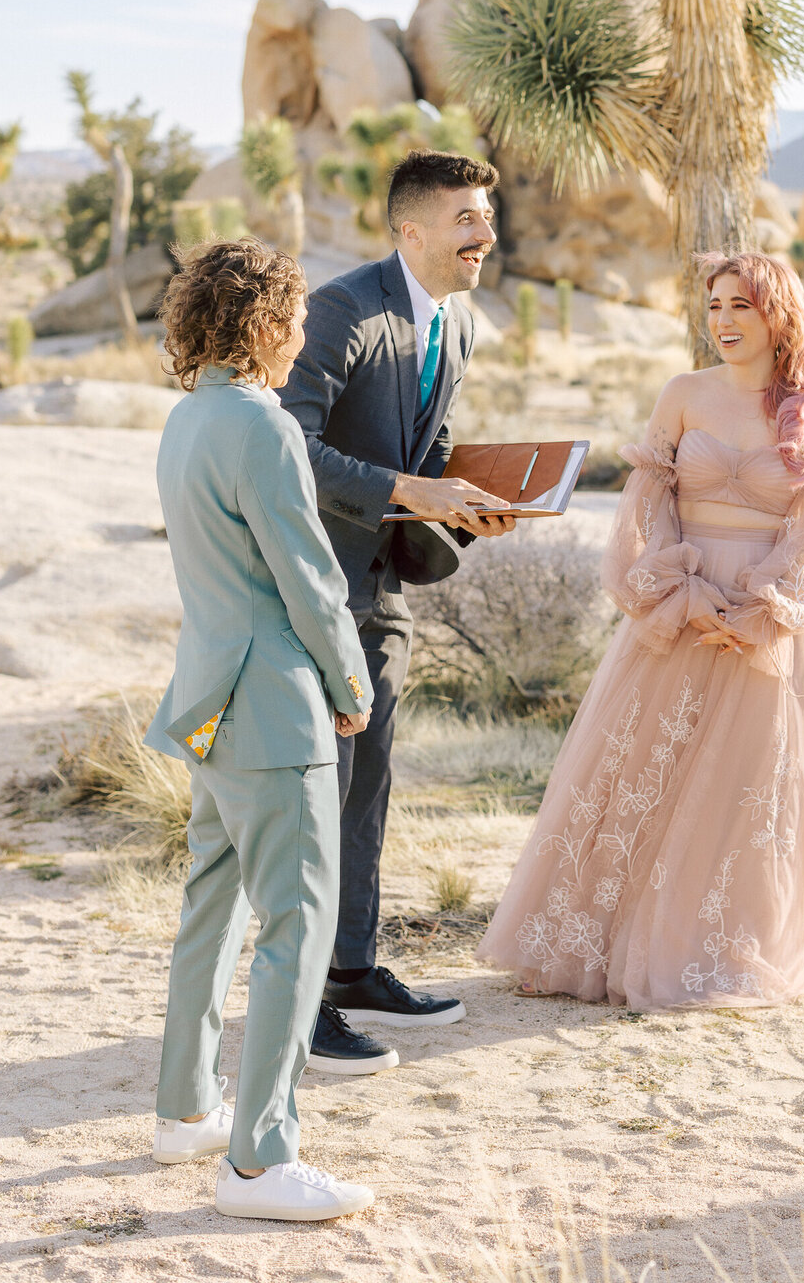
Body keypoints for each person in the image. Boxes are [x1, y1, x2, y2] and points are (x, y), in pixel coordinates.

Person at [477, 251, 804, 1008]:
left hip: (767, 624)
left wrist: (767, 613)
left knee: (745, 788)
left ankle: (724, 952)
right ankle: (597, 945)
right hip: (681, 608)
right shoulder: (683, 394)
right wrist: (681, 590)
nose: (724, 321)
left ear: (779, 314)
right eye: (716, 307)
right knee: (639, 775)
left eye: (742, 306)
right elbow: (647, 506)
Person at [146, 238, 389, 1223]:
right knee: (297, 924)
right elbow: (307, 574)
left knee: (213, 907)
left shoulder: (185, 418)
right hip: (276, 707)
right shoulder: (263, 426)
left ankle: (185, 1108)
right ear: (261, 323)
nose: (300, 338)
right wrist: (351, 678)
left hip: (208, 702)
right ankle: (258, 1162)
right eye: (291, 319)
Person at [279, 149, 516, 1068]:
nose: (485, 236)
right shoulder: (340, 311)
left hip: (384, 590)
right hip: (314, 588)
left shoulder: (459, 326)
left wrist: (475, 498)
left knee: (369, 783)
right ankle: (300, 1009)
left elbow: (435, 439)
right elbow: (287, 445)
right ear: (408, 229)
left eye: (487, 218)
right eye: (466, 219)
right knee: (319, 789)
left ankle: (350, 969)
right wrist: (414, 490)